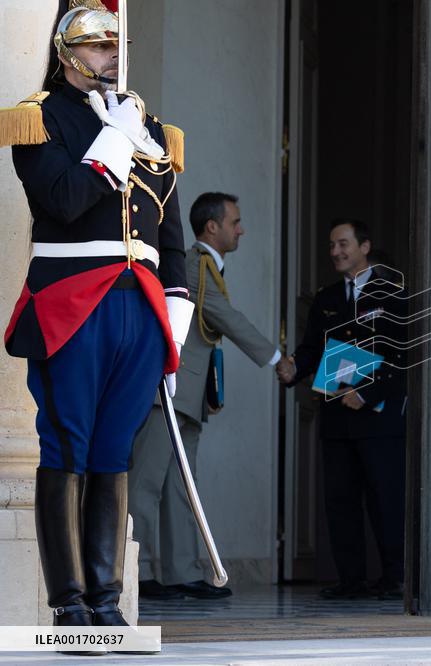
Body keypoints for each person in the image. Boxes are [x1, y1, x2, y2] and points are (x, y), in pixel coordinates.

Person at [0, 0, 192, 636]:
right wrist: (113, 140)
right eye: (98, 46)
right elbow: (63, 200)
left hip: (139, 305)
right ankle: (69, 603)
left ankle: (106, 602)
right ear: (68, 54)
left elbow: (170, 237)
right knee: (67, 445)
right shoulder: (39, 119)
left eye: (116, 45)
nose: (112, 55)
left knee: (114, 451)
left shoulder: (151, 128)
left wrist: (177, 312)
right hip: (72, 301)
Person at [129, 192, 282, 600]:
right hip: (170, 390)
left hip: (189, 394)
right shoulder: (196, 264)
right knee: (145, 482)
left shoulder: (207, 267)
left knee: (182, 488)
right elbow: (225, 318)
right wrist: (277, 358)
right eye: (235, 221)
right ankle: (134, 571)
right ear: (211, 226)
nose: (241, 229)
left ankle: (181, 571)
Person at [277, 219, 407, 600]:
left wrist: (367, 393)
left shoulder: (394, 296)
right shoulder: (326, 298)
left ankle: (394, 576)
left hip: (379, 418)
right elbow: (311, 350)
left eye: (343, 244)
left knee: (385, 500)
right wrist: (293, 369)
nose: (335, 252)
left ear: (364, 247)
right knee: (341, 501)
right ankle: (350, 579)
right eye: (332, 245)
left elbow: (403, 357)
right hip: (336, 416)